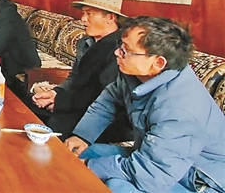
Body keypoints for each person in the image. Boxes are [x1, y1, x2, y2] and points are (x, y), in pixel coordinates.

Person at [65, 17, 225, 193]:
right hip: (160, 159)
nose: (117, 53)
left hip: (200, 179)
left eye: (126, 50)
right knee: (88, 152)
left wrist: (89, 166)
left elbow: (150, 175)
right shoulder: (135, 73)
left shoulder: (179, 109)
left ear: (158, 62)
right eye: (120, 45)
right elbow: (109, 100)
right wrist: (83, 136)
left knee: (117, 186)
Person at [29, 0, 132, 141]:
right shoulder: (85, 42)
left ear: (110, 17)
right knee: (31, 107)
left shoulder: (119, 50)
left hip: (104, 114)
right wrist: (56, 92)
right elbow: (75, 76)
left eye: (89, 14)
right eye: (83, 13)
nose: (83, 19)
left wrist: (61, 102)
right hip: (77, 102)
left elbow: (104, 95)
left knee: (57, 125)